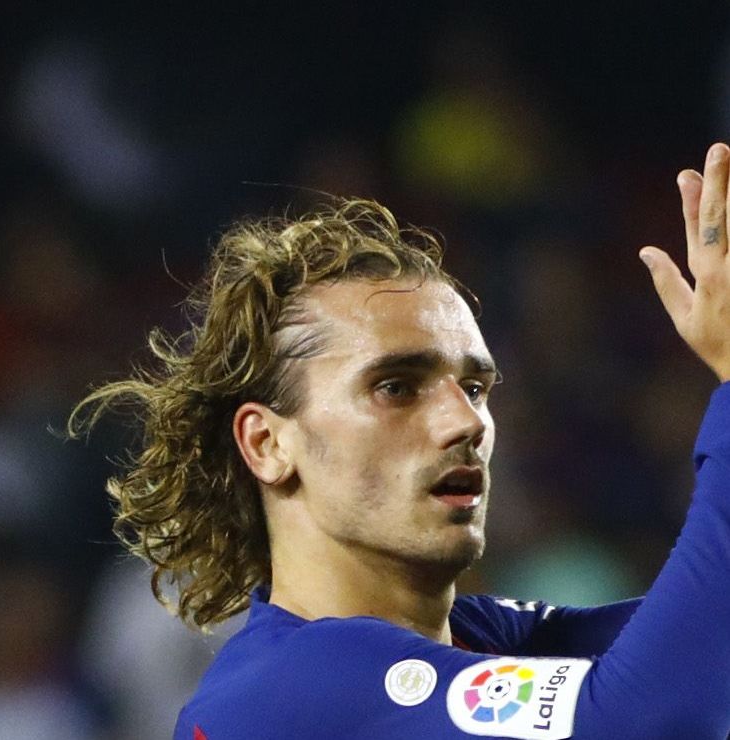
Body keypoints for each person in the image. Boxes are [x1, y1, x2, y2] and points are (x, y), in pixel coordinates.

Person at [69, 142, 730, 738]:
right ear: (267, 444)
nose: (466, 422)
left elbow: (699, 640)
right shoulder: (284, 692)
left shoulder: (472, 635)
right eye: (396, 387)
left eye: (474, 387)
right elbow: (651, 715)